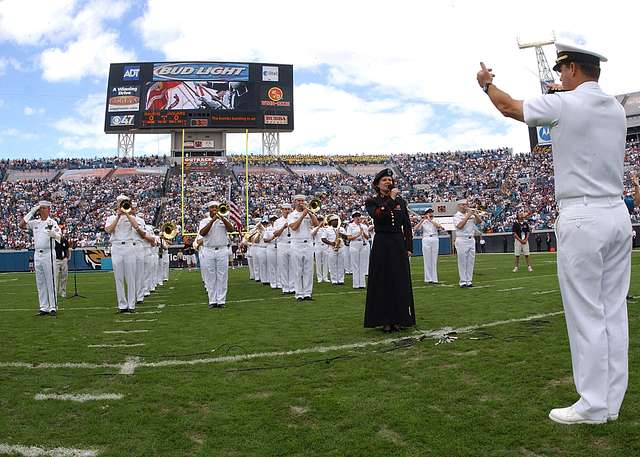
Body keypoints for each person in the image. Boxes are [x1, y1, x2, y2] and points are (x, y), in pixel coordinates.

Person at [477, 42, 630, 425]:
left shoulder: (565, 104)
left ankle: (592, 404)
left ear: (575, 70)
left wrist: (486, 85)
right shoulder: (615, 108)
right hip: (615, 214)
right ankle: (610, 401)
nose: (559, 77)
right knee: (613, 311)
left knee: (585, 314)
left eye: (562, 70)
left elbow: (509, 106)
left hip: (582, 215)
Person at [364, 168, 415, 333]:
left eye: (390, 180)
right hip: (382, 243)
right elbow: (379, 215)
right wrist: (391, 199)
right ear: (377, 184)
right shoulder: (372, 201)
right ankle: (385, 320)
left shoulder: (401, 201)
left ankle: (399, 318)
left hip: (397, 242)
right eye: (384, 180)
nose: (388, 182)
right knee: (383, 281)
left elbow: (406, 225)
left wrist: (408, 247)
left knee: (399, 281)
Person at [104, 195, 151, 313]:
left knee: (130, 277)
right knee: (118, 278)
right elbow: (109, 230)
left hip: (129, 247)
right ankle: (122, 305)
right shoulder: (111, 218)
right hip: (116, 247)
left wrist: (127, 214)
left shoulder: (131, 217)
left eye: (124, 203)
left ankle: (131, 304)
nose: (121, 205)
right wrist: (118, 216)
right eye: (120, 203)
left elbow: (136, 226)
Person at [19, 200, 61, 316]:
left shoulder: (52, 222)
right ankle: (44, 307)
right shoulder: (35, 223)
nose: (41, 210)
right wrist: (31, 212)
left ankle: (53, 306)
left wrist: (53, 234)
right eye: (40, 208)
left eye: (43, 208)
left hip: (48, 253)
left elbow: (59, 236)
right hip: (37, 254)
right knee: (40, 281)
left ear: (48, 209)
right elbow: (21, 225)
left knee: (50, 280)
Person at [199, 200, 235, 308]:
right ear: (209, 209)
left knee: (222, 275)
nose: (214, 209)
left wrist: (223, 218)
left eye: (216, 207)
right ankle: (212, 300)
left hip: (222, 249)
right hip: (208, 249)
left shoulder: (223, 220)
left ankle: (221, 300)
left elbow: (231, 229)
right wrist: (212, 221)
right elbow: (202, 233)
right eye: (212, 208)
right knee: (210, 276)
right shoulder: (204, 221)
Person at [287, 195, 319, 301]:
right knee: (297, 270)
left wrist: (309, 212)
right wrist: (302, 216)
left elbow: (316, 224)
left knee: (308, 270)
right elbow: (294, 227)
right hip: (296, 243)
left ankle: (307, 293)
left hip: (308, 243)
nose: (301, 202)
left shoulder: (308, 213)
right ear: (295, 202)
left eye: (302, 201)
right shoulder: (291, 215)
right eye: (299, 201)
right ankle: (299, 294)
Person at [453, 200, 482, 288]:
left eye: (466, 204)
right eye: (463, 205)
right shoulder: (456, 216)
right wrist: (468, 215)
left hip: (471, 239)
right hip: (462, 239)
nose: (465, 206)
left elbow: (479, 221)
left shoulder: (471, 215)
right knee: (462, 262)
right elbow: (460, 226)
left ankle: (469, 280)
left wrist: (475, 214)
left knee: (470, 262)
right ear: (459, 206)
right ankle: (463, 281)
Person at [413, 208, 443, 284]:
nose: (430, 214)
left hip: (434, 238)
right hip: (426, 238)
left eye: (431, 212)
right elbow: (415, 229)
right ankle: (428, 278)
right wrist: (422, 221)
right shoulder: (424, 221)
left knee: (434, 259)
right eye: (429, 212)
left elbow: (439, 226)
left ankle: (434, 278)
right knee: (427, 259)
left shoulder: (435, 220)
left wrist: (430, 220)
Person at [347, 211, 370, 289]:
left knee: (362, 264)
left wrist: (363, 233)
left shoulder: (364, 226)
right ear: (353, 218)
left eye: (358, 216)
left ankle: (362, 284)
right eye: (356, 216)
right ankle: (356, 284)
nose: (358, 218)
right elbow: (349, 238)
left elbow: (367, 237)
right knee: (355, 264)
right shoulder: (350, 226)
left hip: (363, 244)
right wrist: (358, 234)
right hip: (354, 244)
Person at [321, 214, 346, 285]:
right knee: (333, 265)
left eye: (337, 220)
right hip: (331, 248)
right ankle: (334, 280)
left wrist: (341, 235)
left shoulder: (341, 229)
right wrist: (331, 243)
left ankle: (341, 280)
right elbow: (323, 238)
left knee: (341, 264)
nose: (336, 222)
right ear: (330, 222)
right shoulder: (327, 229)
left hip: (341, 248)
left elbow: (346, 237)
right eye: (334, 221)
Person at [54, 227, 71, 298]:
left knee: (64, 276)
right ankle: (54, 292)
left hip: (63, 259)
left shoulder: (64, 241)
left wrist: (67, 258)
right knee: (55, 277)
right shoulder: (53, 241)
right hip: (56, 260)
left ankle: (63, 291)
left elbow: (67, 249)